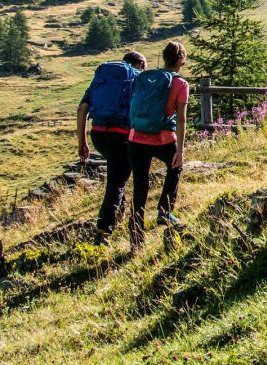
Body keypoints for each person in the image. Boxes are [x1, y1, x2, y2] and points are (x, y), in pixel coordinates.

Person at [77, 50, 146, 246]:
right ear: (140, 64)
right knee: (116, 182)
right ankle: (102, 231)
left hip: (99, 134)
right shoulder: (136, 78)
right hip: (122, 136)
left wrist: (82, 142)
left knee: (117, 174)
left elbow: (82, 109)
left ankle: (118, 212)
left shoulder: (103, 78)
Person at [127, 40, 189, 249]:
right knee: (176, 166)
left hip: (136, 138)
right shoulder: (180, 83)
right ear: (181, 59)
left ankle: (136, 235)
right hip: (162, 137)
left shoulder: (146, 77)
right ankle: (164, 211)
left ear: (164, 58)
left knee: (140, 186)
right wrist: (180, 149)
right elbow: (180, 119)